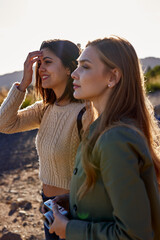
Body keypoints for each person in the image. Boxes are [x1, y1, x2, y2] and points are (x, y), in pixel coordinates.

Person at [49, 36, 160, 240]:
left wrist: (68, 230)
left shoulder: (114, 138)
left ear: (112, 77)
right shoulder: (103, 128)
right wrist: (77, 199)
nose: (74, 74)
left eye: (85, 66)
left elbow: (134, 235)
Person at [0, 39, 90, 240]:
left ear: (69, 68)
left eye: (48, 62)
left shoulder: (85, 112)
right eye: (39, 63)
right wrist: (24, 83)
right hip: (48, 204)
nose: (41, 69)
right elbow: (4, 124)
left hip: (76, 209)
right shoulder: (45, 108)